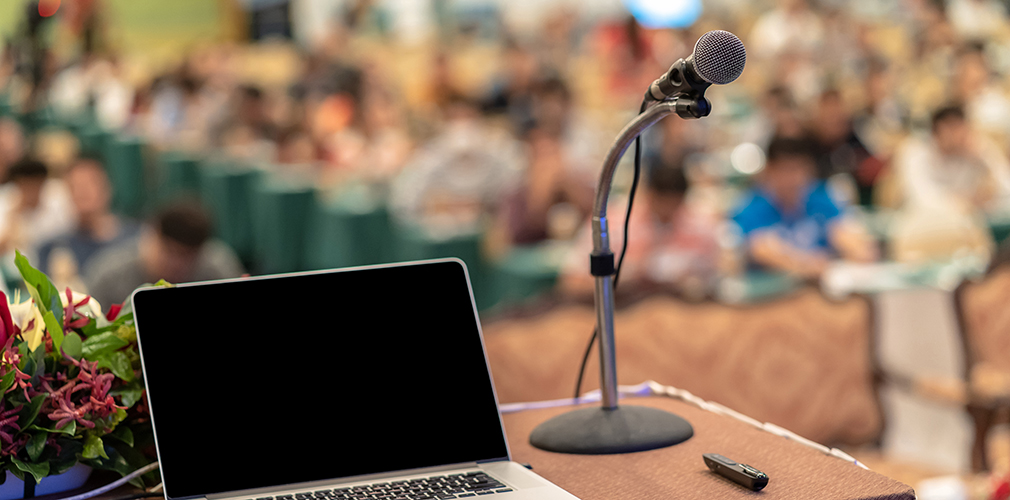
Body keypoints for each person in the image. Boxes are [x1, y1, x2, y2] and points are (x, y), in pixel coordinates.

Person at [559, 165, 722, 299]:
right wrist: (625, 279)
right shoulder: (613, 223)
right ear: (649, 194)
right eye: (662, 207)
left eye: (674, 207)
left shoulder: (700, 226)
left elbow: (720, 279)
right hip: (623, 310)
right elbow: (571, 282)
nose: (668, 214)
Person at [731, 137, 877, 278]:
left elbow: (843, 232)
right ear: (769, 170)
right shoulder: (753, 206)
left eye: (798, 169)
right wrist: (806, 264)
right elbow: (762, 249)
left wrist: (857, 248)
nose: (793, 178)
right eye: (785, 170)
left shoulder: (820, 198)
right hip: (772, 295)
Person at [84, 202, 244, 308]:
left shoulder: (219, 272)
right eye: (169, 251)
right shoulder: (109, 277)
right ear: (151, 233)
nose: (176, 264)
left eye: (187, 256)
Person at [36, 154, 139, 282]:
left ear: (107, 188)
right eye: (75, 186)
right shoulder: (52, 249)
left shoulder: (137, 241)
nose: (83, 192)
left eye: (90, 183)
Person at [895, 105, 1010, 212]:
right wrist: (962, 203)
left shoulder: (975, 149)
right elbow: (919, 199)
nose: (957, 134)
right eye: (950, 127)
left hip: (966, 225)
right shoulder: (915, 151)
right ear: (936, 131)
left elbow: (1006, 188)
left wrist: (984, 156)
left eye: (960, 127)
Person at [0, 158, 74, 267]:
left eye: (35, 185)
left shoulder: (59, 198)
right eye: (25, 185)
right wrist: (14, 217)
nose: (30, 191)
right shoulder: (4, 202)